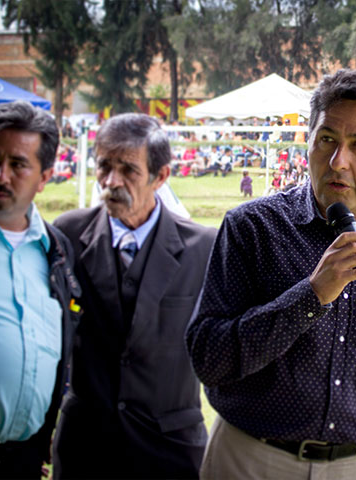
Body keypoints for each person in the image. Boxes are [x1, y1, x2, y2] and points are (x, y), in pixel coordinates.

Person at [186, 69, 356, 480]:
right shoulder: (252, 229)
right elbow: (208, 359)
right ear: (308, 141)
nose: (338, 161)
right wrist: (311, 296)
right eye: (327, 139)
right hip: (250, 460)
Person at [52, 113, 218, 479]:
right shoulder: (67, 234)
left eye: (128, 170)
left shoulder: (203, 248)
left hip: (170, 451)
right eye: (104, 166)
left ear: (161, 176)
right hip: (84, 448)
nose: (112, 181)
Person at [0, 100, 80, 478]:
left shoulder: (56, 250)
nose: (1, 175)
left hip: (23, 462)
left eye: (18, 164)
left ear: (44, 177)